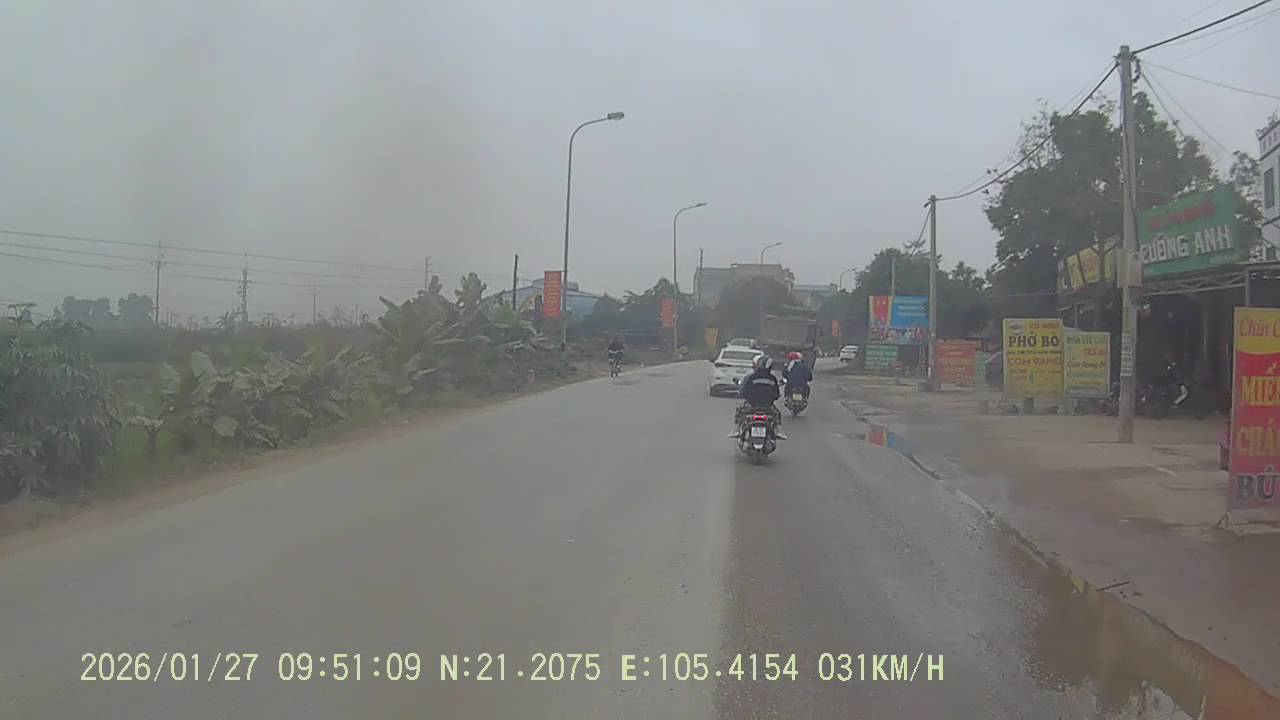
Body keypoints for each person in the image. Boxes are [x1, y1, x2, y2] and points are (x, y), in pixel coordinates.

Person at [735, 354, 783, 432]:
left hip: (752, 405)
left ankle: (737, 430)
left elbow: (744, 391)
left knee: (740, 412)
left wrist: (743, 395)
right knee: (777, 416)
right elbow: (776, 394)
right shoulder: (772, 378)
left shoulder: (751, 377)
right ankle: (778, 432)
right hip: (767, 406)